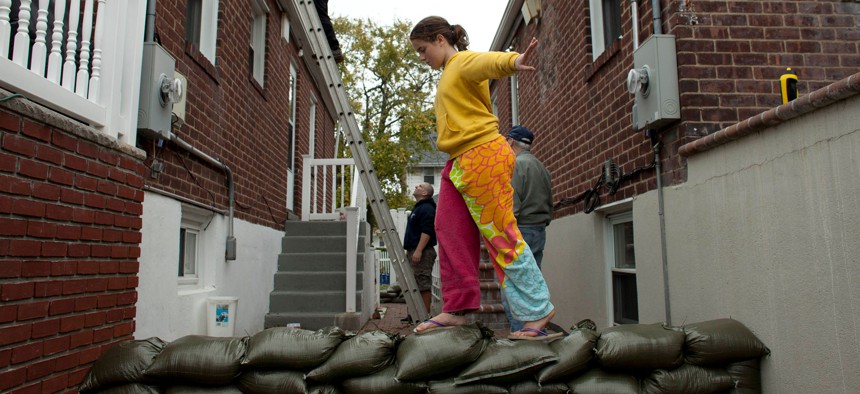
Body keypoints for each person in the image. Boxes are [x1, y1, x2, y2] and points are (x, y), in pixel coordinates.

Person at [409, 16, 560, 340]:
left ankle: (537, 311)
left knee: (500, 235)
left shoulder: (461, 62)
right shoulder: (449, 73)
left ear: (439, 39)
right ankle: (458, 307)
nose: (422, 58)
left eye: (423, 50)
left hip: (482, 155)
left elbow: (485, 63)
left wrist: (513, 61)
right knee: (446, 229)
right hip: (458, 161)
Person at [503, 125, 554, 333]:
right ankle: (537, 333)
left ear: (512, 141)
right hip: (539, 229)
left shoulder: (516, 164)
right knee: (532, 285)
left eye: (506, 141)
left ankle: (523, 338)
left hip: (520, 229)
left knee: (513, 290)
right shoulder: (540, 166)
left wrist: (505, 235)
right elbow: (550, 201)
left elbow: (512, 204)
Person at [402, 183, 437, 316]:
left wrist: (419, 250)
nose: (416, 186)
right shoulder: (418, 208)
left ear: (425, 194)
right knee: (414, 282)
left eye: (420, 186)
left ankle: (424, 316)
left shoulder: (427, 208)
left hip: (423, 251)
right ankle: (414, 315)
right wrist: (411, 250)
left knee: (423, 282)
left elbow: (427, 231)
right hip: (415, 250)